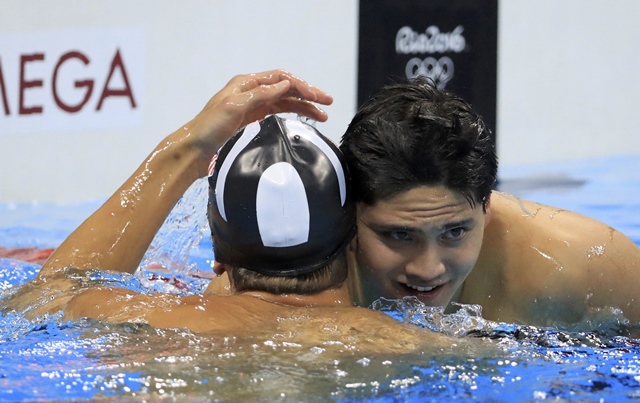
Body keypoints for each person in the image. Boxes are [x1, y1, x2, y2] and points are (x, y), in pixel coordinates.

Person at [3, 70, 448, 352]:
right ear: (353, 239)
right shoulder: (412, 345)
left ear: (217, 255)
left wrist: (187, 150)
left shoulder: (128, 315)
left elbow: (37, 301)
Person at [340, 77, 640, 326]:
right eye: (400, 235)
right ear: (348, 219)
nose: (428, 269)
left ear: (486, 208)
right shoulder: (306, 268)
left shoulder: (585, 267)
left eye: (455, 232)